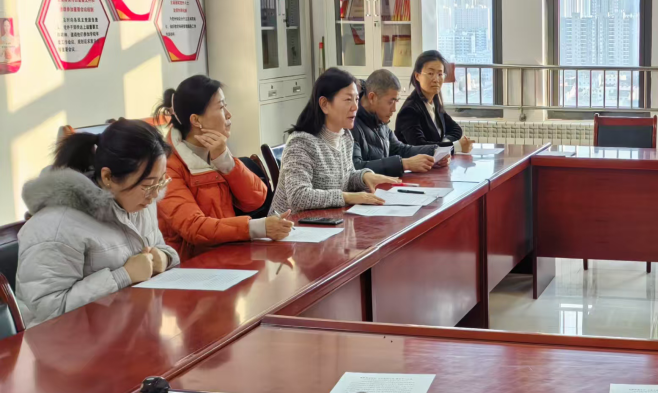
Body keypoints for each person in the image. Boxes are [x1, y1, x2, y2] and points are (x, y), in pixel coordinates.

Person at [15, 119, 181, 327]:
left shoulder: (139, 202)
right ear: (108, 176)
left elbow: (158, 247)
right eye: (148, 185)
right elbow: (49, 312)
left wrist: (163, 258)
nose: (156, 194)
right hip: (68, 342)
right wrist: (123, 276)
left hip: (130, 329)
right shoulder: (55, 227)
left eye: (161, 181)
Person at [154, 76, 293, 260]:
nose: (228, 115)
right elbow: (194, 228)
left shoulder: (215, 150)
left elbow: (257, 199)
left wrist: (226, 161)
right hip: (191, 264)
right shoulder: (167, 166)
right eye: (221, 107)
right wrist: (257, 228)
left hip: (228, 253)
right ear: (196, 120)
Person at [269, 68, 402, 215]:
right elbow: (298, 197)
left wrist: (364, 177)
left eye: (356, 99)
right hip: (291, 225)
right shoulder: (300, 143)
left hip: (328, 221)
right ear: (324, 104)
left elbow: (345, 178)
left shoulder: (345, 136)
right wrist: (347, 197)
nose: (355, 107)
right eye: (348, 100)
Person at [352, 69, 443, 176]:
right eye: (391, 101)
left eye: (396, 101)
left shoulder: (379, 120)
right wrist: (403, 164)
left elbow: (400, 149)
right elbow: (355, 168)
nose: (394, 109)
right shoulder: (350, 124)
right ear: (372, 97)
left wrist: (435, 151)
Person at [394, 50, 475, 152]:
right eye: (430, 73)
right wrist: (455, 146)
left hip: (436, 161)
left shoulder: (434, 102)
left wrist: (445, 142)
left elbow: (456, 129)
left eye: (440, 74)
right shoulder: (410, 110)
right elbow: (419, 146)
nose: (436, 79)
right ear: (417, 76)